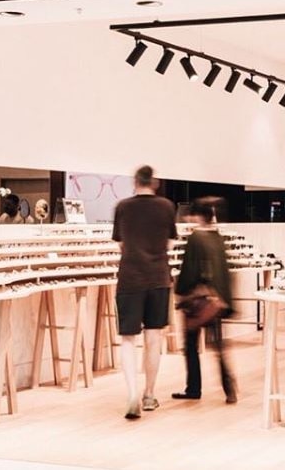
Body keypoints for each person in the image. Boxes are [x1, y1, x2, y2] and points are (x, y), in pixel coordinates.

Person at [112, 165, 177, 420]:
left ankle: (131, 393)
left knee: (128, 339)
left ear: (135, 181)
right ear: (155, 182)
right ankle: (149, 394)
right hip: (159, 278)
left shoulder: (123, 207)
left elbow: (120, 243)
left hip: (129, 279)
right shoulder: (166, 207)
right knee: (153, 338)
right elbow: (170, 243)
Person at [172, 199, 237, 404]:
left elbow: (189, 271)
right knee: (219, 347)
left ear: (197, 216)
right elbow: (225, 272)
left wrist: (180, 292)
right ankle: (229, 388)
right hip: (216, 301)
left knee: (190, 344)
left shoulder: (195, 238)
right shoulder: (217, 238)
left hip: (199, 302)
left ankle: (194, 388)